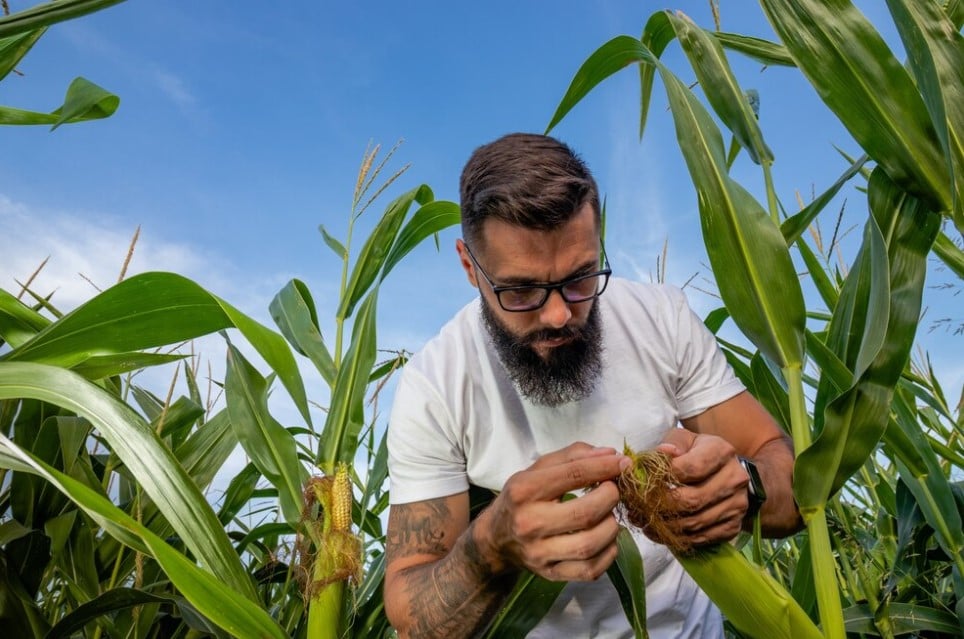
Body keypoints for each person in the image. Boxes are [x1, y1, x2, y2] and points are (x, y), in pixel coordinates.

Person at [383, 132, 802, 638]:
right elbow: (409, 610)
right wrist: (490, 546)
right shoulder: (435, 386)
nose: (559, 314)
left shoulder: (661, 319)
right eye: (521, 290)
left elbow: (791, 481)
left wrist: (749, 488)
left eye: (580, 278)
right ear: (471, 267)